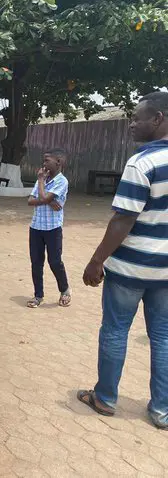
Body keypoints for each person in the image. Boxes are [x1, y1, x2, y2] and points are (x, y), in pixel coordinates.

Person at [79, 91, 168, 430]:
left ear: (157, 119)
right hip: (166, 272)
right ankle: (162, 410)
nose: (132, 123)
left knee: (116, 330)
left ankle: (105, 398)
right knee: (163, 337)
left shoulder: (141, 162)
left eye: (138, 117)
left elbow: (122, 220)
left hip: (130, 268)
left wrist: (96, 260)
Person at [26, 149, 71, 308]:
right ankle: (38, 295)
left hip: (53, 228)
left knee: (55, 261)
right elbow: (31, 200)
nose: (44, 164)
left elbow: (42, 197)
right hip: (36, 227)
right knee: (36, 262)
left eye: (47, 160)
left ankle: (64, 290)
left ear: (58, 162)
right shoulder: (43, 179)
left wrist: (41, 186)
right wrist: (49, 200)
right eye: (43, 161)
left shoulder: (61, 181)